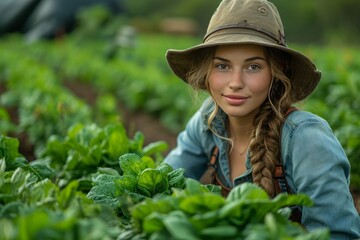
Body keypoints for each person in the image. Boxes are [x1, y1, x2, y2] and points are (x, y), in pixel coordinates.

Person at [163, 0, 360, 238]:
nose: (235, 82)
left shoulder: (306, 139)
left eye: (253, 67)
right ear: (207, 73)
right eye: (222, 66)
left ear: (275, 75)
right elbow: (163, 184)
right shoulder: (209, 122)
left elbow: (337, 235)